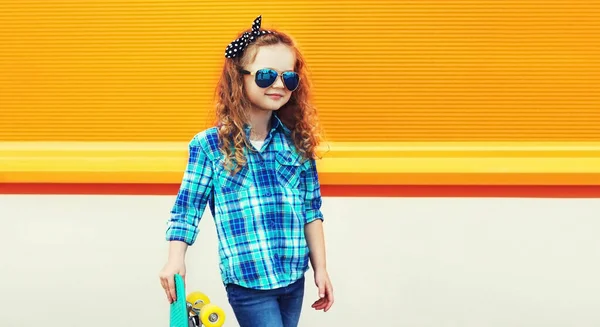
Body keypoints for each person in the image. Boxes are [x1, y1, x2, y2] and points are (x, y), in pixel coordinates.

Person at [158, 15, 334, 327]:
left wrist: (321, 268)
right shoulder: (209, 146)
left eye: (289, 78)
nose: (279, 84)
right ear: (240, 78)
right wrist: (175, 260)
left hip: (293, 277)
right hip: (248, 280)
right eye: (267, 76)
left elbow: (311, 210)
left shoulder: (297, 143)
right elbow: (187, 210)